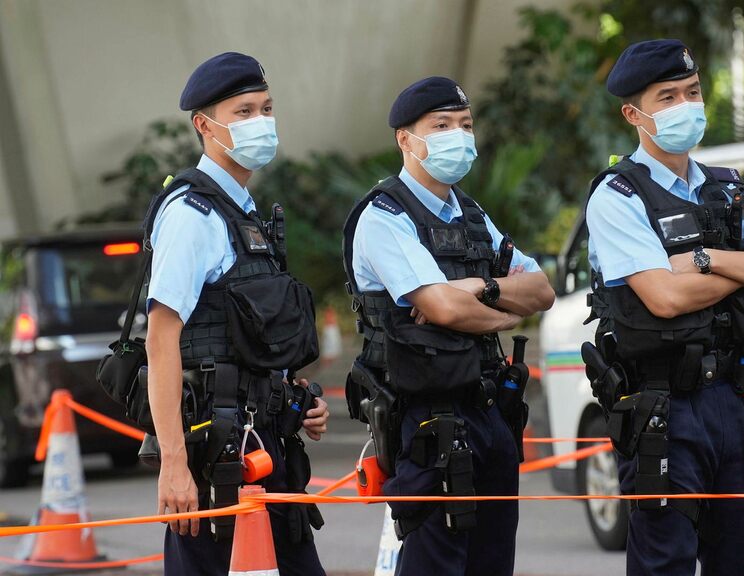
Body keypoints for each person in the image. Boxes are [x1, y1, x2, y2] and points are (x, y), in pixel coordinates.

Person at [583, 39, 744, 576]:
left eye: (693, 92)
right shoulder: (618, 197)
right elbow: (665, 297)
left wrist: (703, 260)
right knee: (666, 564)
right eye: (668, 96)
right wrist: (742, 269)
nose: (686, 105)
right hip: (664, 411)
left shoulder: (726, 189)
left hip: (737, 401)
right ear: (634, 114)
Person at [342, 76, 555, 576]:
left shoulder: (473, 216)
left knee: (493, 561)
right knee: (435, 563)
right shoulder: (385, 215)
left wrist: (478, 288)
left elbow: (542, 291)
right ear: (406, 139)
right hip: (427, 419)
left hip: (489, 411)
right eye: (441, 126)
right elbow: (444, 310)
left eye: (464, 125)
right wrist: (497, 304)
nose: (457, 136)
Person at [145, 52, 328, 576]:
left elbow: (255, 335)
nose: (261, 123)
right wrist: (175, 466)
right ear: (205, 125)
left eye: (266, 109)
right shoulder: (191, 215)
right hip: (215, 452)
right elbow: (162, 341)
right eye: (244, 111)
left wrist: (300, 399)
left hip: (265, 443)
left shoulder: (246, 213)